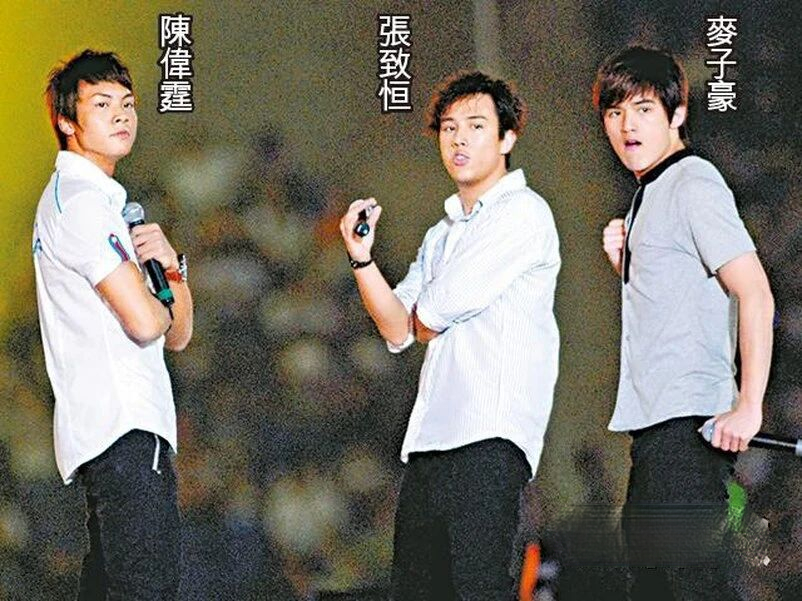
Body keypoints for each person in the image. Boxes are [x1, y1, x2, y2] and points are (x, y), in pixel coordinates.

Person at [339, 71, 560, 600]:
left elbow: (430, 315)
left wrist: (419, 314)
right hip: (430, 443)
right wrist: (362, 259)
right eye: (449, 127)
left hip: (489, 438)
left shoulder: (522, 213)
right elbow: (397, 327)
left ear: (507, 137)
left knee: (476, 590)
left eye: (476, 126)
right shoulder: (441, 235)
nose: (459, 139)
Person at [594, 46, 774, 600]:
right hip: (655, 430)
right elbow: (678, 298)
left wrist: (749, 405)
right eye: (615, 112)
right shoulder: (648, 194)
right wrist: (625, 264)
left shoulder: (693, 182)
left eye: (644, 109)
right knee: (655, 585)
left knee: (691, 584)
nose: (627, 125)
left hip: (690, 426)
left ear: (676, 114)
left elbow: (755, 291)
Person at [32, 49, 193, 599]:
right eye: (101, 104)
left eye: (127, 103)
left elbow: (178, 334)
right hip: (123, 429)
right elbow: (148, 324)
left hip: (119, 435)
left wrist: (172, 269)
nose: (122, 114)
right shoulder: (79, 202)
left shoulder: (104, 203)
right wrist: (160, 303)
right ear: (67, 121)